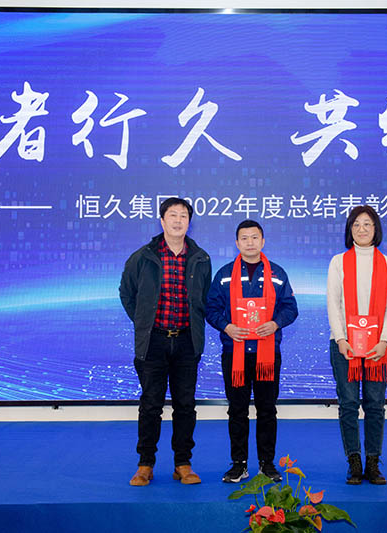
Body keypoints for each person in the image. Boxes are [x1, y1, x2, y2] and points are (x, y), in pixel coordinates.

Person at [119, 197, 212, 486]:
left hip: (186, 342)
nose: (178, 220)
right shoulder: (142, 257)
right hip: (153, 342)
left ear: (189, 222)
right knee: (151, 405)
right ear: (162, 220)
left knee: (185, 405)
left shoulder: (201, 258)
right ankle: (145, 464)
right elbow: (127, 293)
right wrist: (144, 322)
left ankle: (183, 463)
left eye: (183, 215)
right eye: (173, 215)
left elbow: (204, 299)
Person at [206, 219, 298, 484]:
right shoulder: (224, 274)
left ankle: (267, 464)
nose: (249, 242)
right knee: (237, 410)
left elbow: (291, 308)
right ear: (237, 243)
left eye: (254, 237)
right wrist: (227, 327)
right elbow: (210, 309)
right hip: (234, 353)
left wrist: (275, 323)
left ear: (263, 241)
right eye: (244, 238)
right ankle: (239, 464)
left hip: (267, 355)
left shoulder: (277, 273)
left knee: (267, 409)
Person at [326, 205, 387, 485]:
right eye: (356, 224)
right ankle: (354, 460)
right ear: (349, 230)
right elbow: (333, 303)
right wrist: (341, 338)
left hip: (377, 347)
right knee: (348, 404)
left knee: (375, 405)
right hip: (344, 346)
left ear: (376, 228)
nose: (362, 229)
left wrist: (385, 341)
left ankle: (373, 462)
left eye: (367, 224)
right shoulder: (338, 262)